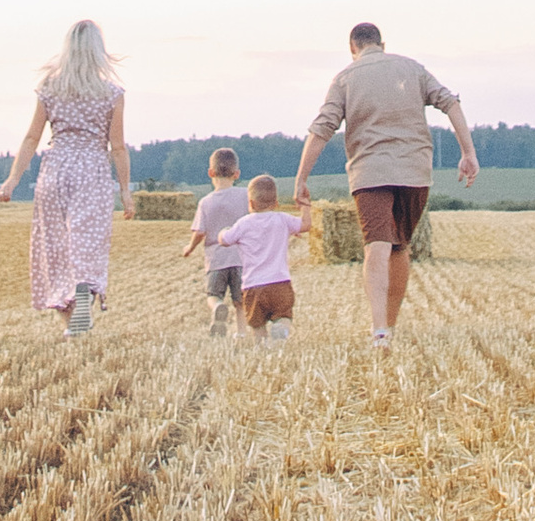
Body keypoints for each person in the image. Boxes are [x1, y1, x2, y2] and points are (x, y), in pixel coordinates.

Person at [292, 21, 478, 349]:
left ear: (353, 48)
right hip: (415, 171)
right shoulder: (412, 68)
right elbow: (451, 103)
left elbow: (321, 128)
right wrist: (468, 153)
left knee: (376, 247)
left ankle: (380, 330)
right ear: (382, 43)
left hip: (370, 172)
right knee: (399, 247)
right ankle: (389, 325)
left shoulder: (346, 78)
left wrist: (302, 178)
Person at [0, 19, 133, 334]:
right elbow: (118, 146)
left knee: (56, 246)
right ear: (99, 52)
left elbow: (32, 138)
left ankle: (69, 325)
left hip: (56, 169)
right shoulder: (112, 93)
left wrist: (12, 179)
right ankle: (83, 296)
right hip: (92, 170)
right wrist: (126, 190)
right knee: (86, 243)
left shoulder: (50, 88)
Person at [215, 175, 309, 338]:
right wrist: (306, 205)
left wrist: (222, 232)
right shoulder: (282, 219)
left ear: (250, 203)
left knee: (257, 326)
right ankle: (281, 328)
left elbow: (225, 240)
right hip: (280, 283)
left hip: (253, 286)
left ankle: (263, 352)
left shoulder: (243, 223)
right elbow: (305, 225)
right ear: (276, 203)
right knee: (284, 316)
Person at [182, 146, 252, 335]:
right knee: (241, 302)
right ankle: (241, 334)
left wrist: (190, 247)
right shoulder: (246, 196)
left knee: (213, 295)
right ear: (236, 174)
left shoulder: (205, 202)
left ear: (210, 173)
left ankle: (217, 307)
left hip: (216, 260)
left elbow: (200, 232)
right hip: (241, 259)